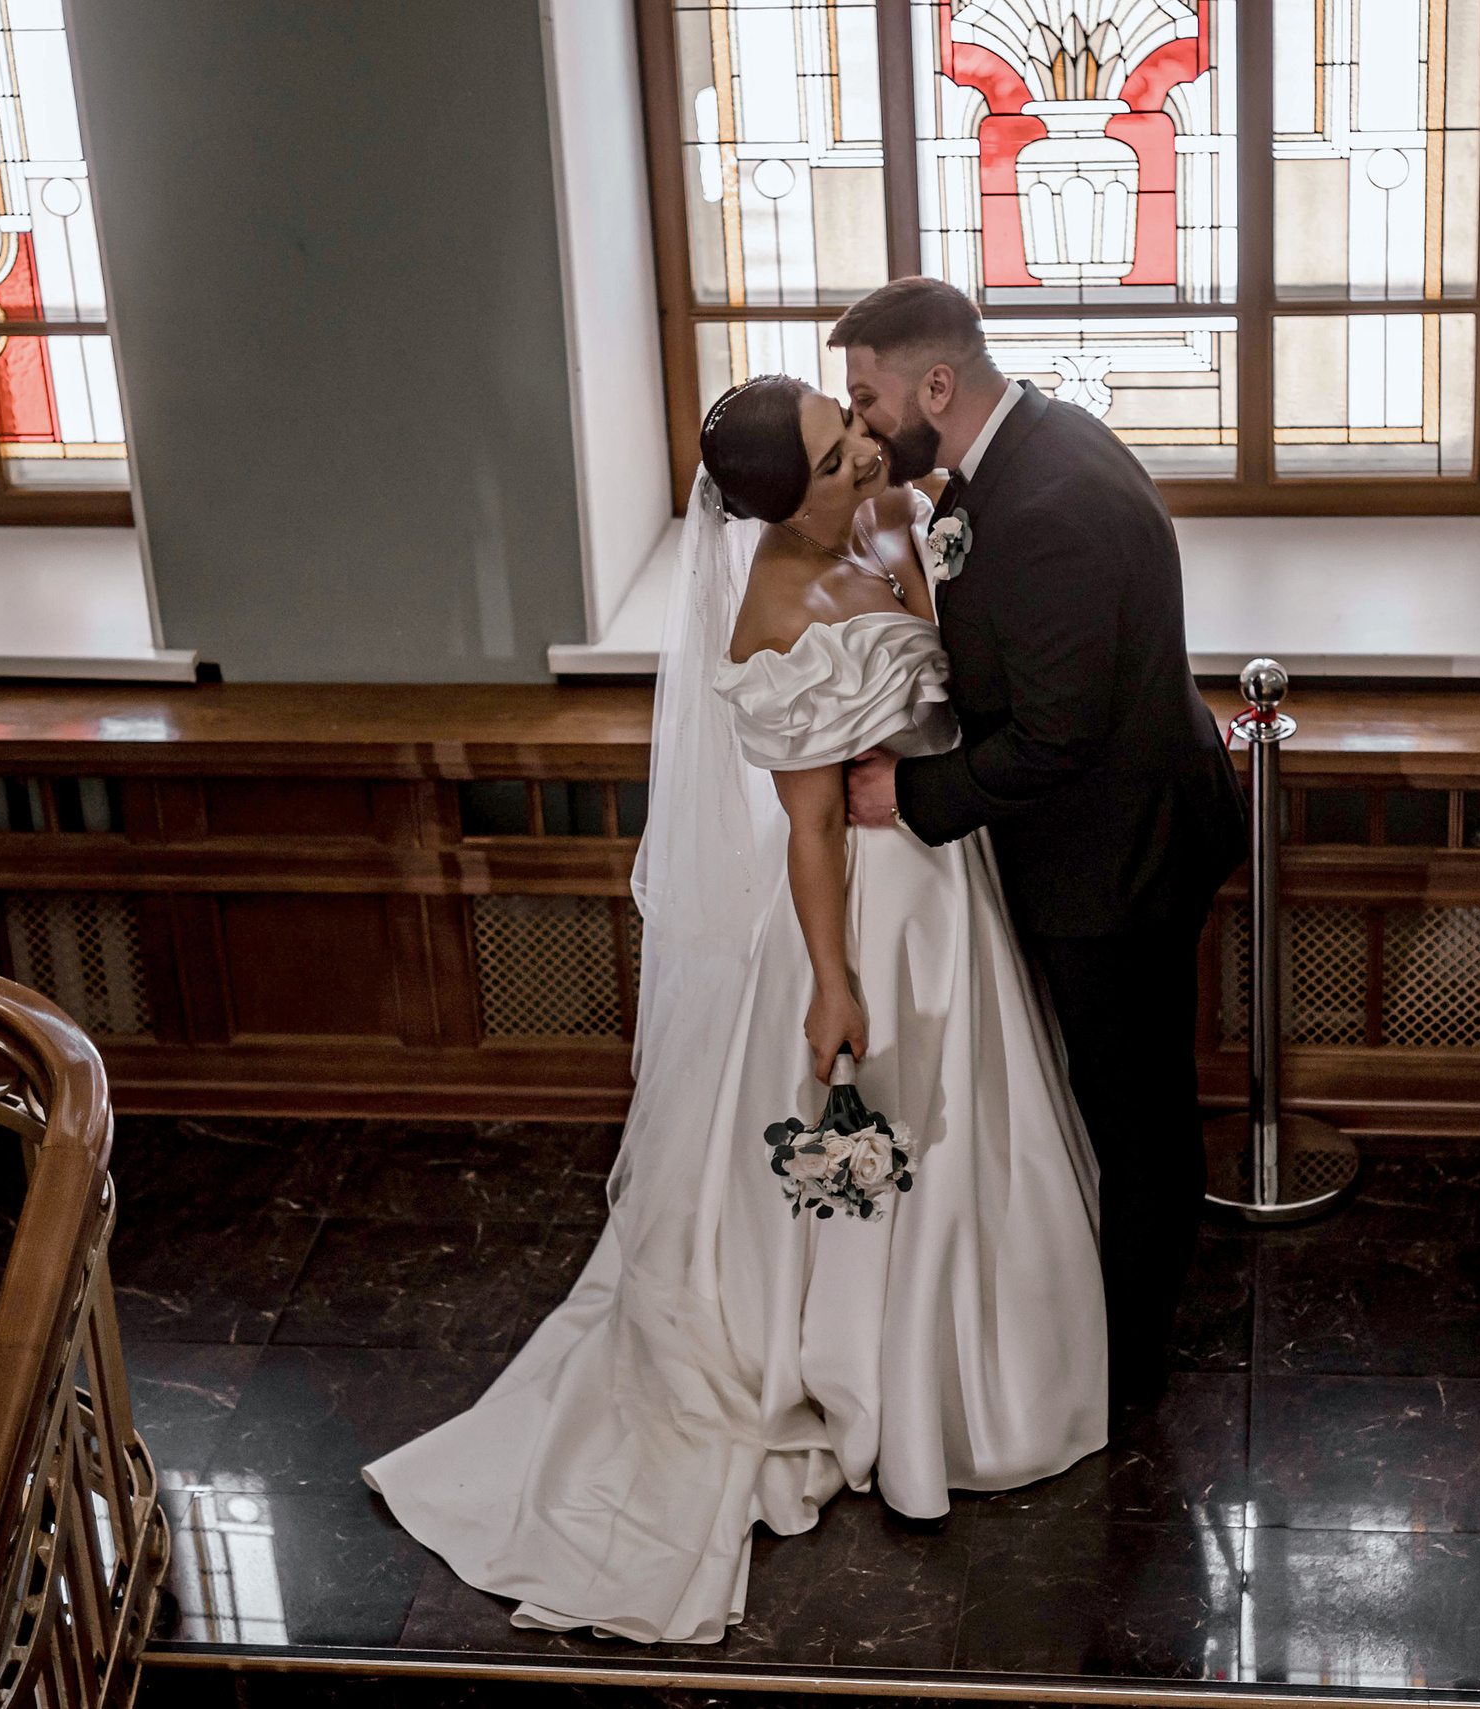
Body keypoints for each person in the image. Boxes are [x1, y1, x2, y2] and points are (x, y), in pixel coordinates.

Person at [362, 372, 1108, 1644]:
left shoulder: (891, 508)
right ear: (774, 505)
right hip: (872, 909)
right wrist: (834, 980)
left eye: (848, 425)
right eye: (832, 456)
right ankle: (873, 1375)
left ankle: (997, 1361)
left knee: (988, 1131)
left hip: (957, 875)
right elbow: (811, 831)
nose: (862, 450)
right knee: (892, 1139)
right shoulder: (771, 621)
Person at [836, 277, 1248, 1410]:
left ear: (935, 384)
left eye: (868, 399)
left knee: (1138, 1116)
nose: (863, 426)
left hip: (1118, 862)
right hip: (1113, 831)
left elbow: (1058, 736)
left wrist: (908, 793)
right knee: (1118, 1097)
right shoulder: (1032, 446)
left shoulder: (1048, 504)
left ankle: (1126, 1370)